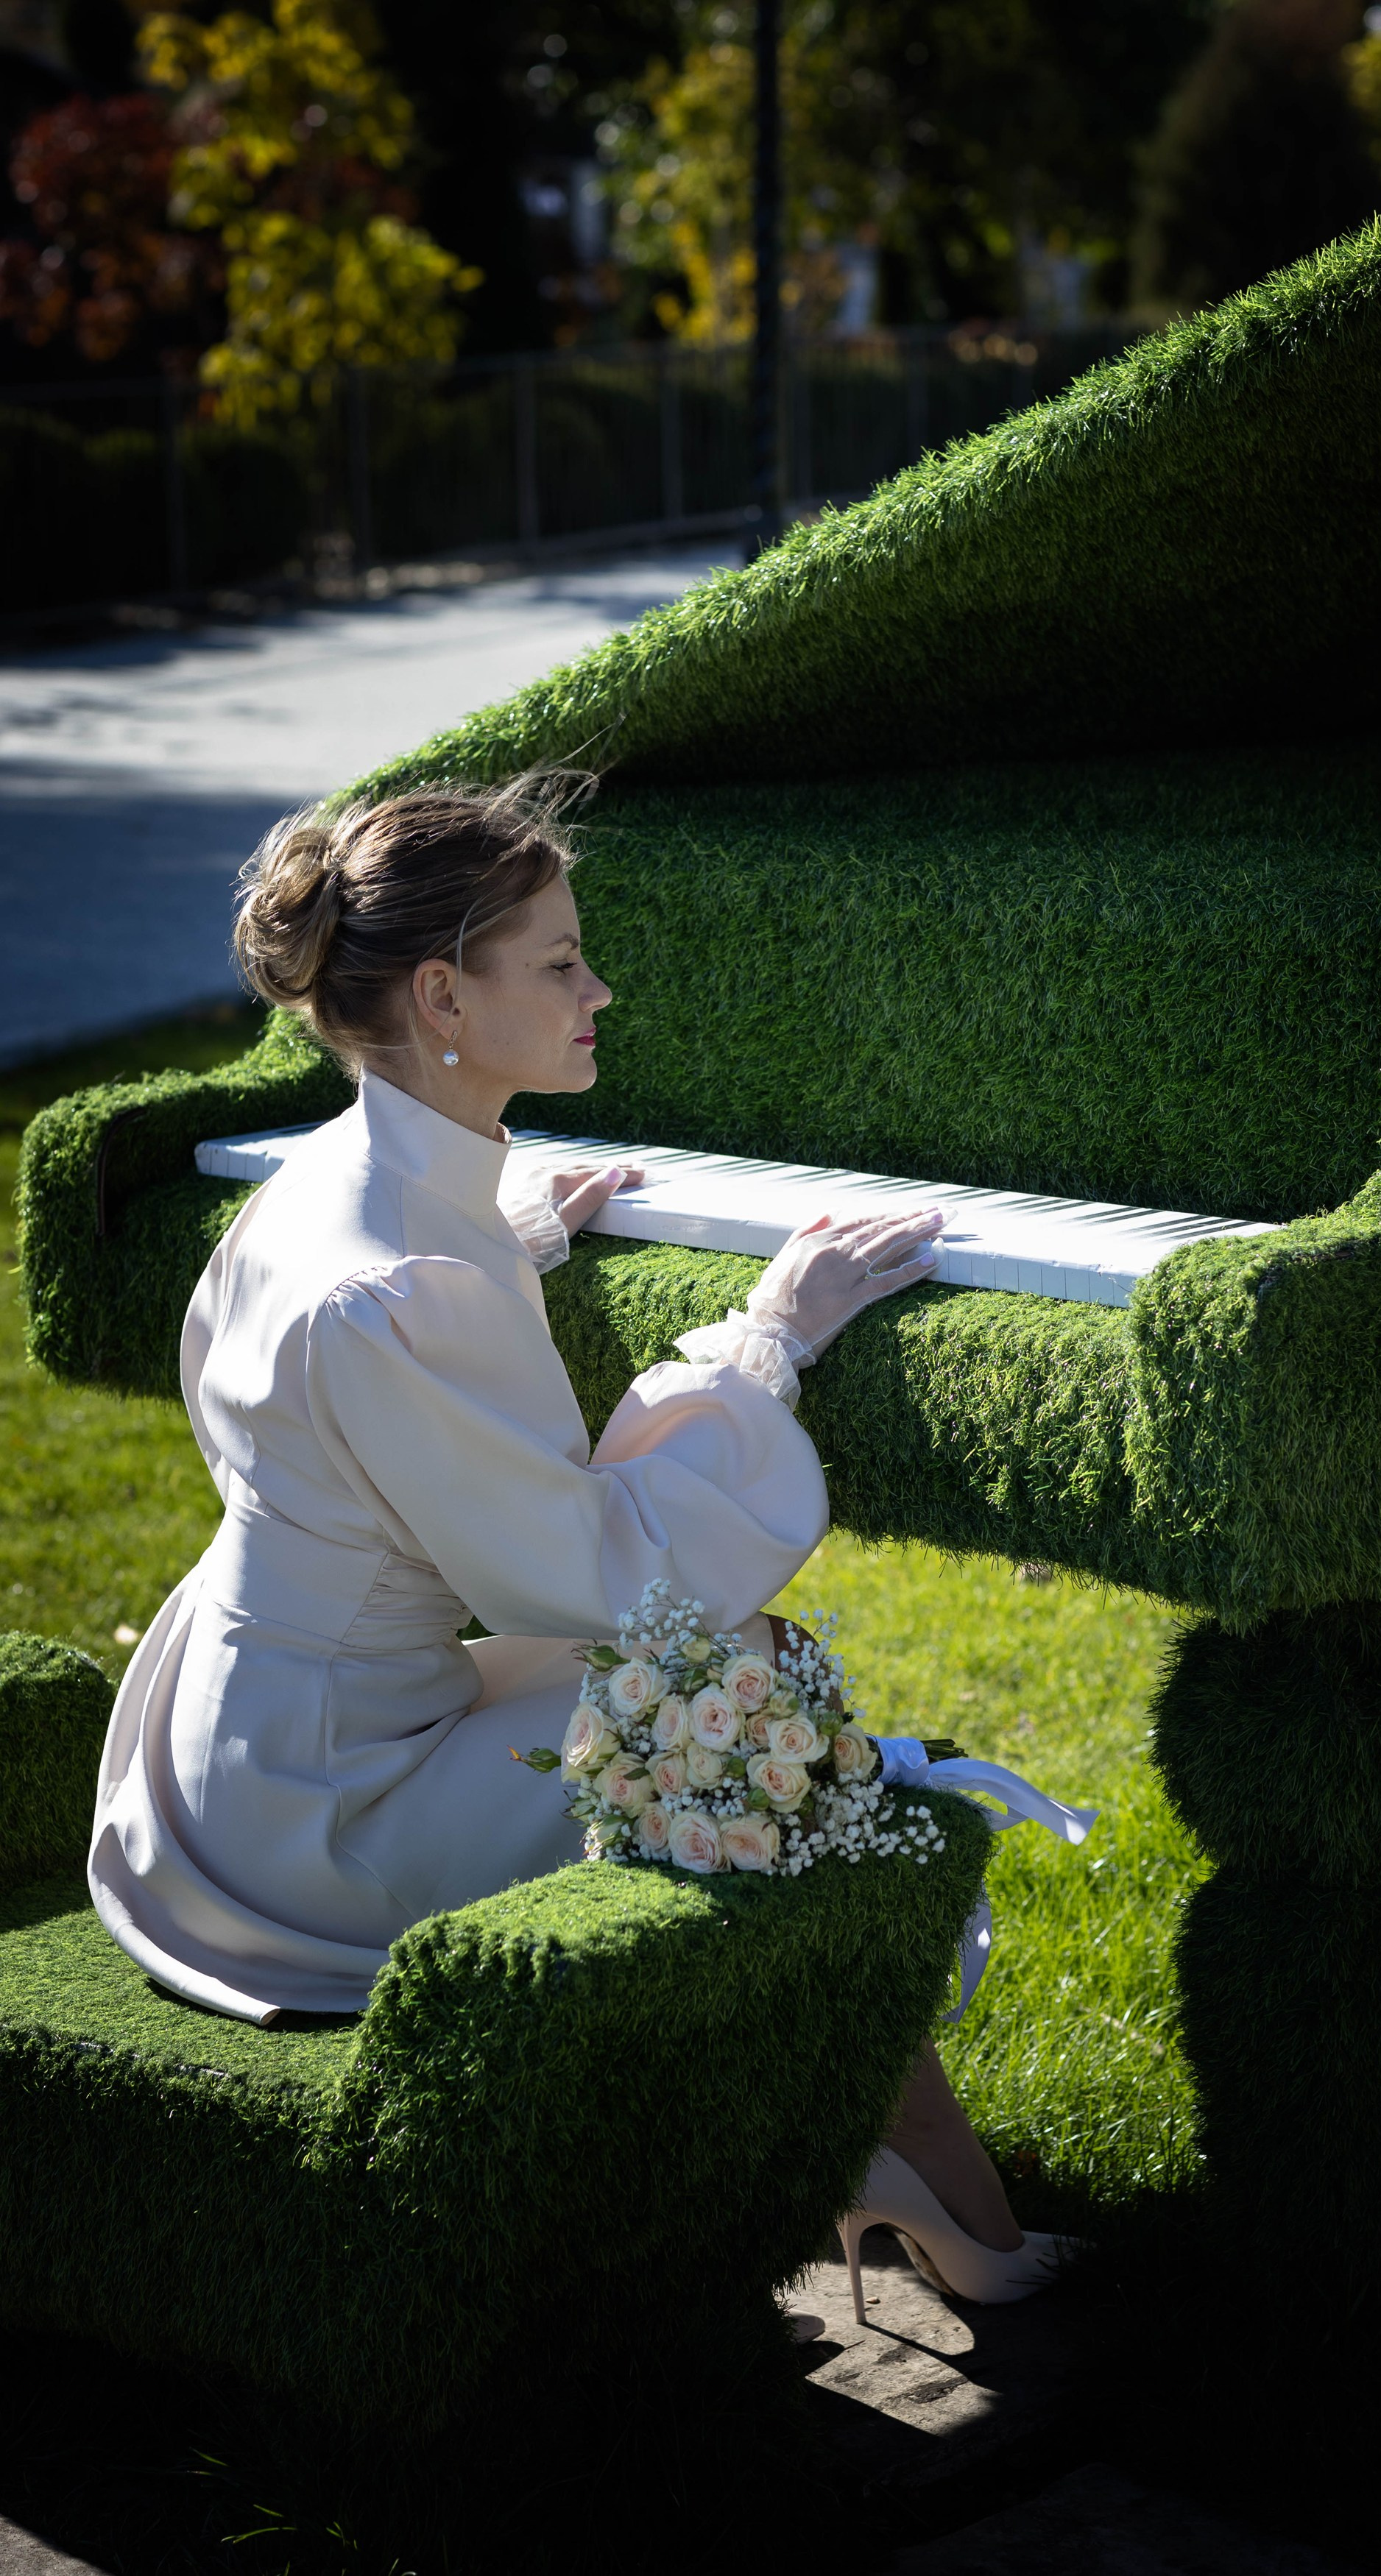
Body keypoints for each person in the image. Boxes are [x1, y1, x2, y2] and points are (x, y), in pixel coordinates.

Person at [88, 779, 1062, 2307]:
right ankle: (912, 2173)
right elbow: (597, 1574)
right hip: (321, 1812)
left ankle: (871, 2156)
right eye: (557, 962)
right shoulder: (398, 1277)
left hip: (246, 1723)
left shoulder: (343, 1190)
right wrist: (767, 1340)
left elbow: (352, 1394)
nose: (597, 988)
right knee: (736, 1693)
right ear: (439, 995)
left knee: (737, 1696)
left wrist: (515, 1241)